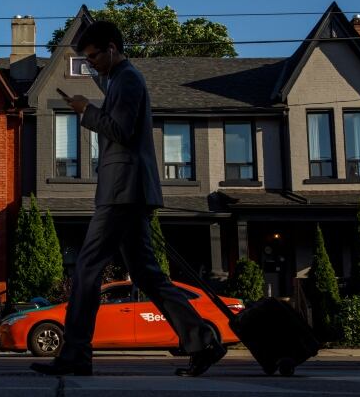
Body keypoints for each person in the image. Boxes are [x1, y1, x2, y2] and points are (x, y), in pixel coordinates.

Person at [30, 21, 226, 378]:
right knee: (147, 274)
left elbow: (120, 129)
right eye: (86, 60)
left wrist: (84, 110)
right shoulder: (118, 79)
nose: (91, 65)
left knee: (88, 268)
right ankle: (202, 340)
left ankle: (75, 354)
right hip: (126, 190)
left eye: (93, 57)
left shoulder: (129, 79)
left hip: (124, 190)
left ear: (112, 48)